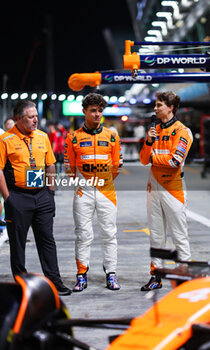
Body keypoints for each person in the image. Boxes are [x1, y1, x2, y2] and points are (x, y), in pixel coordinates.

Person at [0, 100, 71, 296]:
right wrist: (8, 198)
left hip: (42, 196)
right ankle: (22, 283)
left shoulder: (42, 137)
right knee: (18, 242)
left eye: (36, 116)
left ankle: (55, 282)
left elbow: (50, 165)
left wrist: (50, 191)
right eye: (30, 117)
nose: (35, 120)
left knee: (47, 239)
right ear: (18, 119)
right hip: (18, 196)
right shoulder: (5, 140)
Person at [64, 93, 123, 292]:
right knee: (83, 235)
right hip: (84, 191)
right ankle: (81, 275)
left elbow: (116, 166)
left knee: (109, 234)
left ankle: (111, 273)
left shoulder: (112, 135)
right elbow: (69, 169)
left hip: (107, 191)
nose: (97, 114)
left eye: (100, 111)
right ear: (84, 112)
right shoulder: (72, 138)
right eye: (93, 111)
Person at [140, 91, 193, 291]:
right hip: (153, 188)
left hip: (173, 189)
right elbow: (143, 159)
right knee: (155, 235)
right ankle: (156, 275)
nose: (155, 109)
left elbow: (174, 161)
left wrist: (154, 159)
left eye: (159, 105)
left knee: (179, 235)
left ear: (170, 108)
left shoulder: (182, 132)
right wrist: (148, 142)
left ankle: (184, 276)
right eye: (156, 105)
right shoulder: (154, 131)